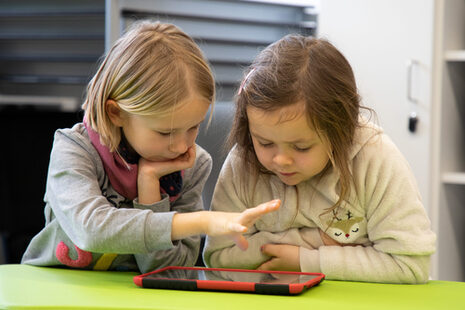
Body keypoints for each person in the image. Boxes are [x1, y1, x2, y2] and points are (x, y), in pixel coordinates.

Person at [21, 20, 280, 273]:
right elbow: (90, 229)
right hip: (53, 290)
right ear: (116, 113)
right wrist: (200, 221)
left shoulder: (194, 165)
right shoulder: (74, 149)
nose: (181, 145)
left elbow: (170, 273)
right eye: (165, 132)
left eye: (193, 127)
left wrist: (149, 191)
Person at [203, 34, 436, 284]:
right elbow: (218, 261)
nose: (281, 160)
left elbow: (410, 265)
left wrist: (306, 261)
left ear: (341, 132)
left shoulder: (375, 158)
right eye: (265, 143)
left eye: (301, 147)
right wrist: (314, 240)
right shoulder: (244, 160)